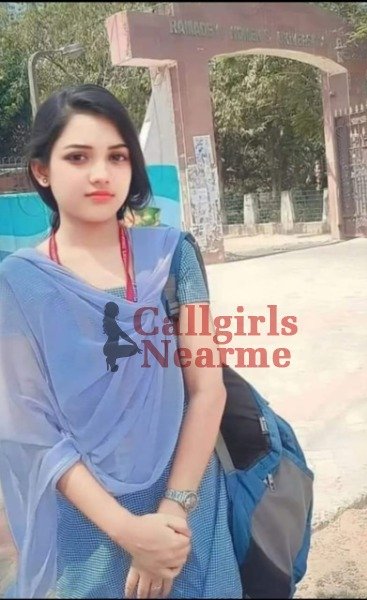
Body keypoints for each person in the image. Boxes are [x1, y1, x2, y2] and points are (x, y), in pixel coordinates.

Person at [0, 84, 242, 599]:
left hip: (187, 505)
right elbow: (34, 432)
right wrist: (129, 531)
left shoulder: (171, 256)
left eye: (117, 156)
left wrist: (173, 512)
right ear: (42, 171)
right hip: (89, 523)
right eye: (78, 157)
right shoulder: (19, 284)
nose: (101, 173)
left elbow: (207, 389)